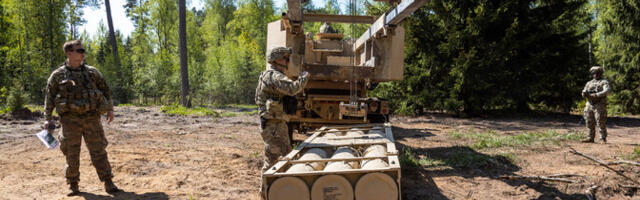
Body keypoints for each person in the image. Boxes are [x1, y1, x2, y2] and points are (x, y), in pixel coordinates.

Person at [43, 40, 120, 196]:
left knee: (99, 151)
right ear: (69, 53)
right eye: (80, 50)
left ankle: (108, 181)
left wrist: (109, 109)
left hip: (92, 118)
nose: (83, 53)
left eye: (83, 50)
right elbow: (49, 97)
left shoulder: (92, 72)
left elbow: (105, 90)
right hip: (69, 120)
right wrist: (48, 118)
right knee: (71, 153)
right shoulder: (57, 75)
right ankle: (73, 184)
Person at [255, 46, 309, 194]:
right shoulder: (274, 76)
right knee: (271, 160)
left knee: (287, 156)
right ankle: (265, 193)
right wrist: (304, 77)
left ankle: (285, 190)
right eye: (286, 58)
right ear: (278, 60)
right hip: (272, 126)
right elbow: (292, 88)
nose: (288, 61)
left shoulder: (270, 75)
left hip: (277, 124)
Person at [581, 66, 610, 143]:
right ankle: (590, 137)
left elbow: (607, 91)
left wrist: (597, 95)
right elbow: (584, 91)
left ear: (600, 74)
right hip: (589, 104)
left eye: (597, 73)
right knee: (588, 120)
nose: (595, 75)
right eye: (594, 73)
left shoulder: (603, 82)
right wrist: (584, 94)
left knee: (600, 121)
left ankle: (602, 138)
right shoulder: (589, 83)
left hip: (599, 104)